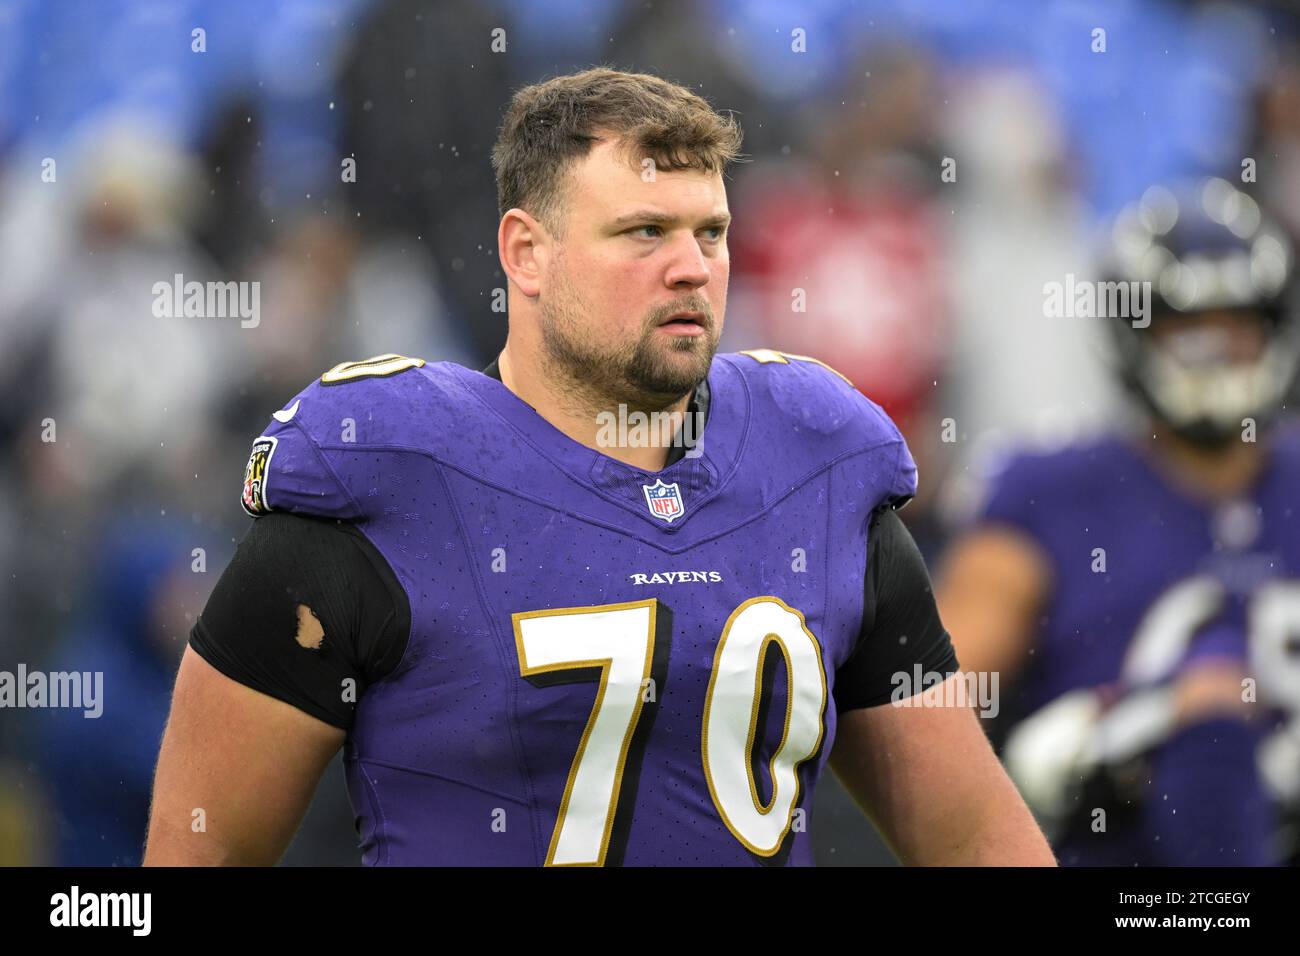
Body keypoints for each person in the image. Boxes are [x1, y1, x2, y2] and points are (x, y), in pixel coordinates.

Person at [144, 67, 1053, 867]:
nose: (692, 268)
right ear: (525, 254)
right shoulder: (386, 478)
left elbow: (975, 840)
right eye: (645, 231)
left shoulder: (814, 466)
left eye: (712, 233)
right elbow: (201, 853)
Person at [938, 178, 1300, 866]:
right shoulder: (1049, 490)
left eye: (1236, 326)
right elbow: (933, 706)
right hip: (1119, 844)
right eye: (1189, 331)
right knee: (1209, 732)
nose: (1217, 353)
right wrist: (1131, 724)